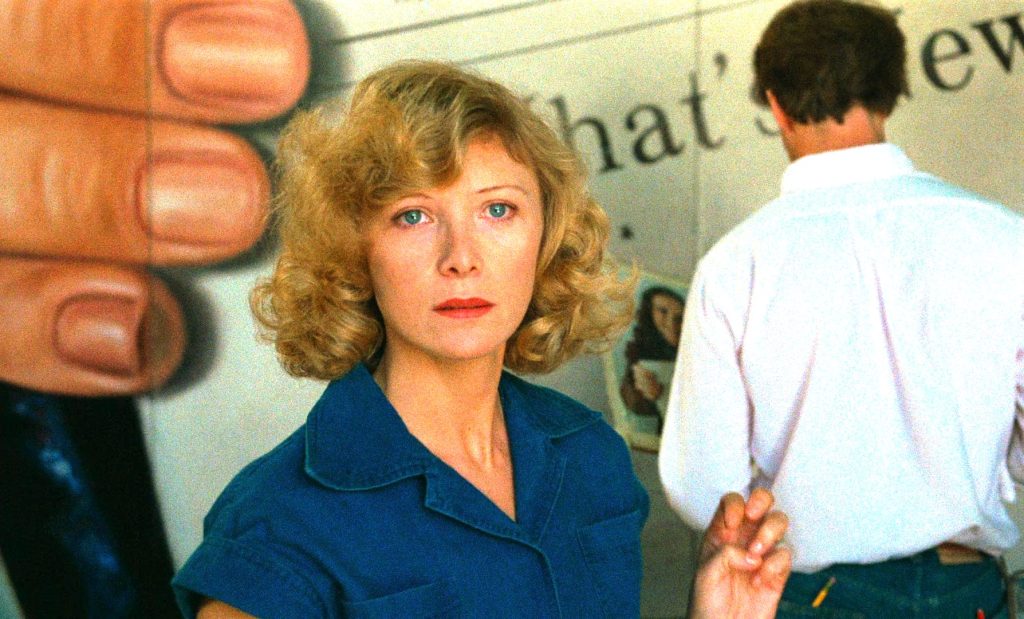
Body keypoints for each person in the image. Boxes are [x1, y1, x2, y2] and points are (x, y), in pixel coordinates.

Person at [171, 60, 791, 618]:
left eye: (497, 210)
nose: (461, 257)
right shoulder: (277, 523)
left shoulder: (592, 457)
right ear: (355, 251)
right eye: (413, 215)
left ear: (546, 235)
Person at [659, 0, 1024, 616]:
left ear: (774, 104)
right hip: (966, 589)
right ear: (890, 96)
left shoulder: (736, 265)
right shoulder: (1004, 239)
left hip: (809, 593)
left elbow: (706, 493)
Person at [620, 286, 685, 427]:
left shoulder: (694, 355)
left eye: (679, 317)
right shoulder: (639, 355)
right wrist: (650, 394)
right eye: (663, 311)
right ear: (648, 313)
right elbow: (632, 401)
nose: (671, 322)